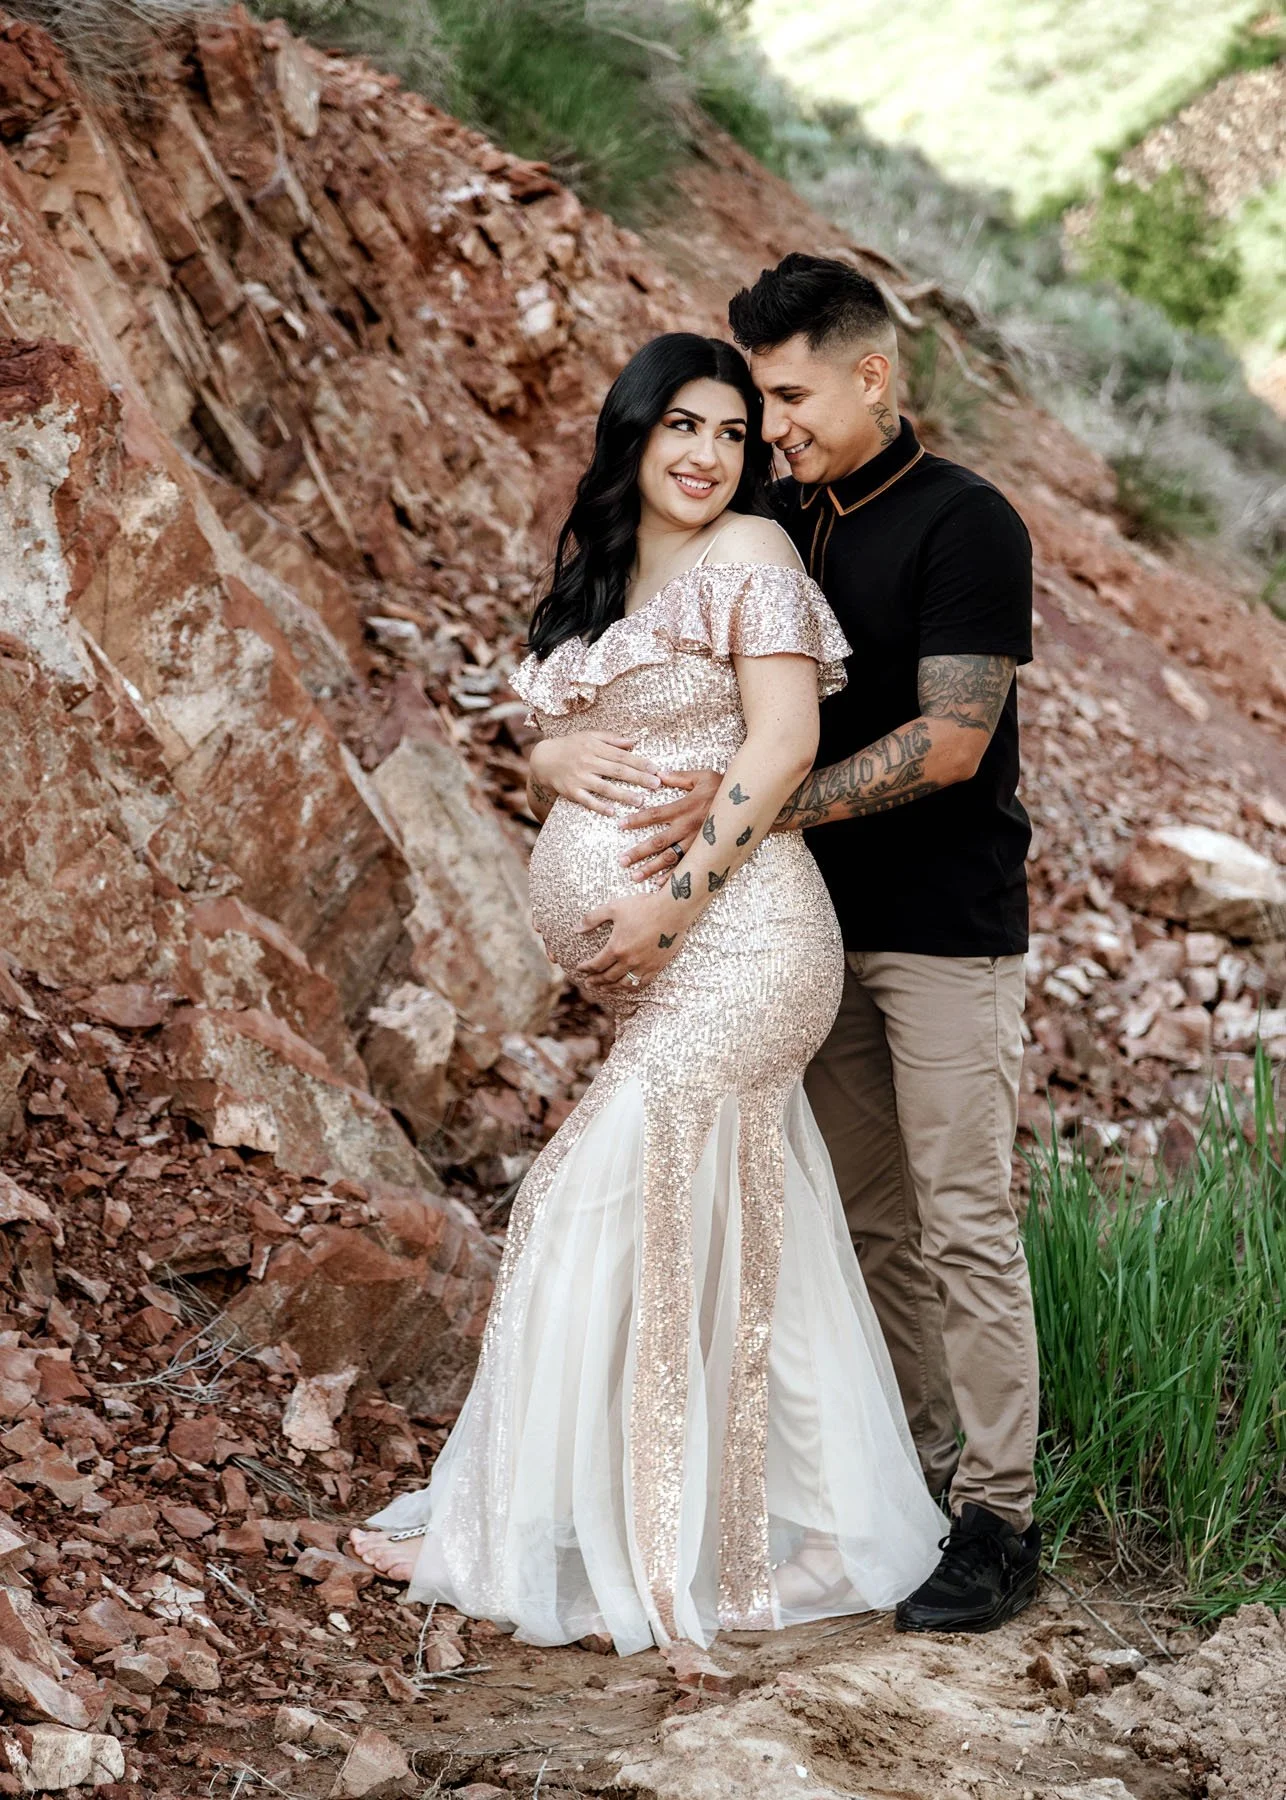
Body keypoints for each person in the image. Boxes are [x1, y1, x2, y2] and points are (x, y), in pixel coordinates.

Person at [349, 331, 944, 1653]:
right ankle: (762, 1523)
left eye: (733, 435)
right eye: (682, 425)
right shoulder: (608, 579)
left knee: (580, 1197)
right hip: (661, 978)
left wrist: (672, 906)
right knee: (729, 1229)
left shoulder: (750, 557)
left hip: (742, 944)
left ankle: (619, 1534)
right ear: (631, 431)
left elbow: (783, 743)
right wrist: (556, 748)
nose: (707, 455)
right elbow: (578, 736)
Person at [607, 258, 1043, 1636]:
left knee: (961, 1219)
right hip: (801, 932)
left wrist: (759, 800)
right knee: (865, 1225)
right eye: (758, 398)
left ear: (871, 374)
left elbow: (952, 739)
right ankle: (903, 1493)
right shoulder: (778, 519)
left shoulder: (968, 524)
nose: (771, 425)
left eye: (788, 395)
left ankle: (999, 1518)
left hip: (942, 935)